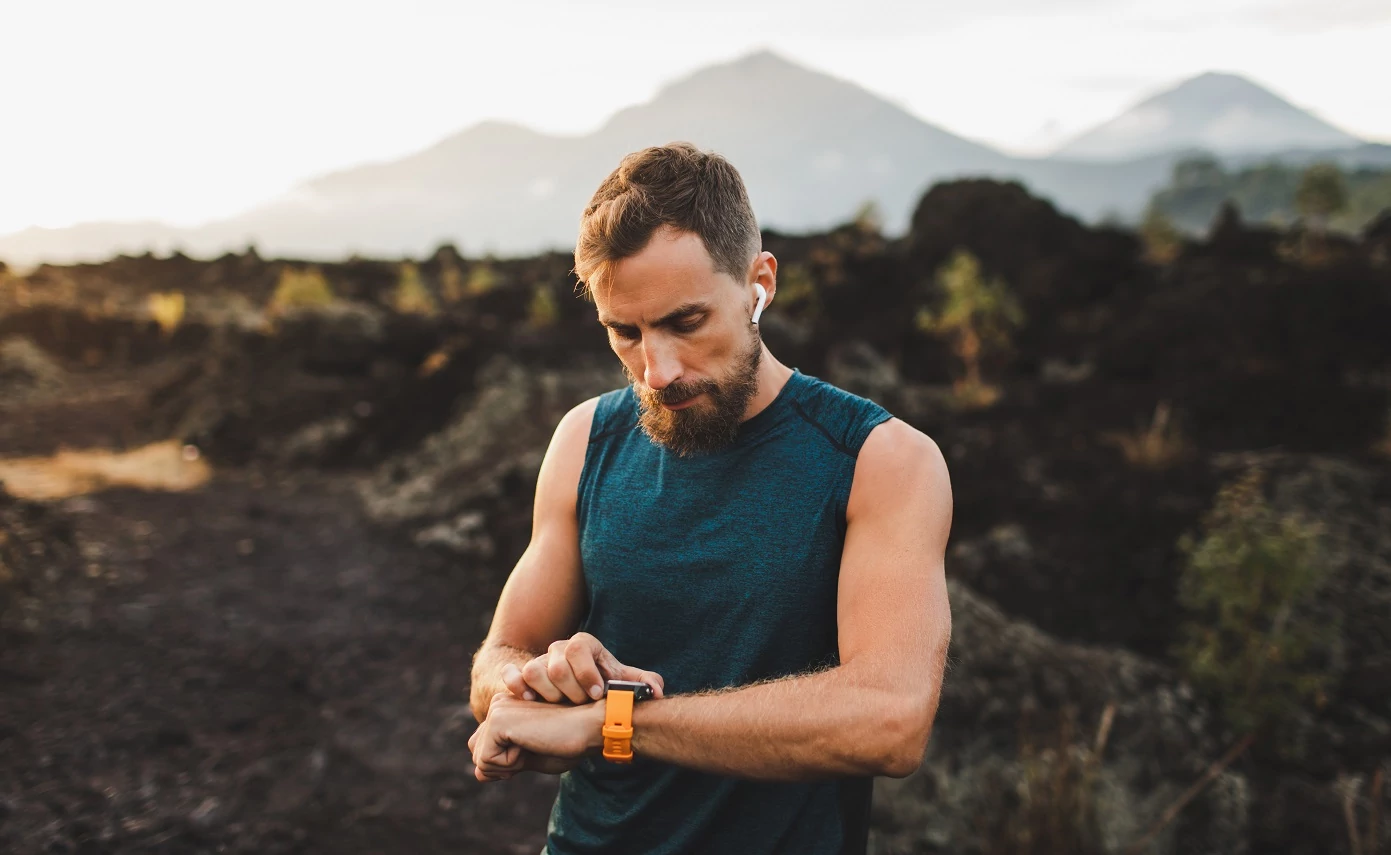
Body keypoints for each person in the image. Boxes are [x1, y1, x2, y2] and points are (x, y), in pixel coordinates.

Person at [467, 142, 953, 855]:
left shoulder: (880, 461)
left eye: (685, 322)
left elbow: (890, 719)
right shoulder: (584, 440)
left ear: (758, 284)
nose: (656, 371)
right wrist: (534, 678)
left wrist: (614, 721)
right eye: (623, 332)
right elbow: (495, 662)